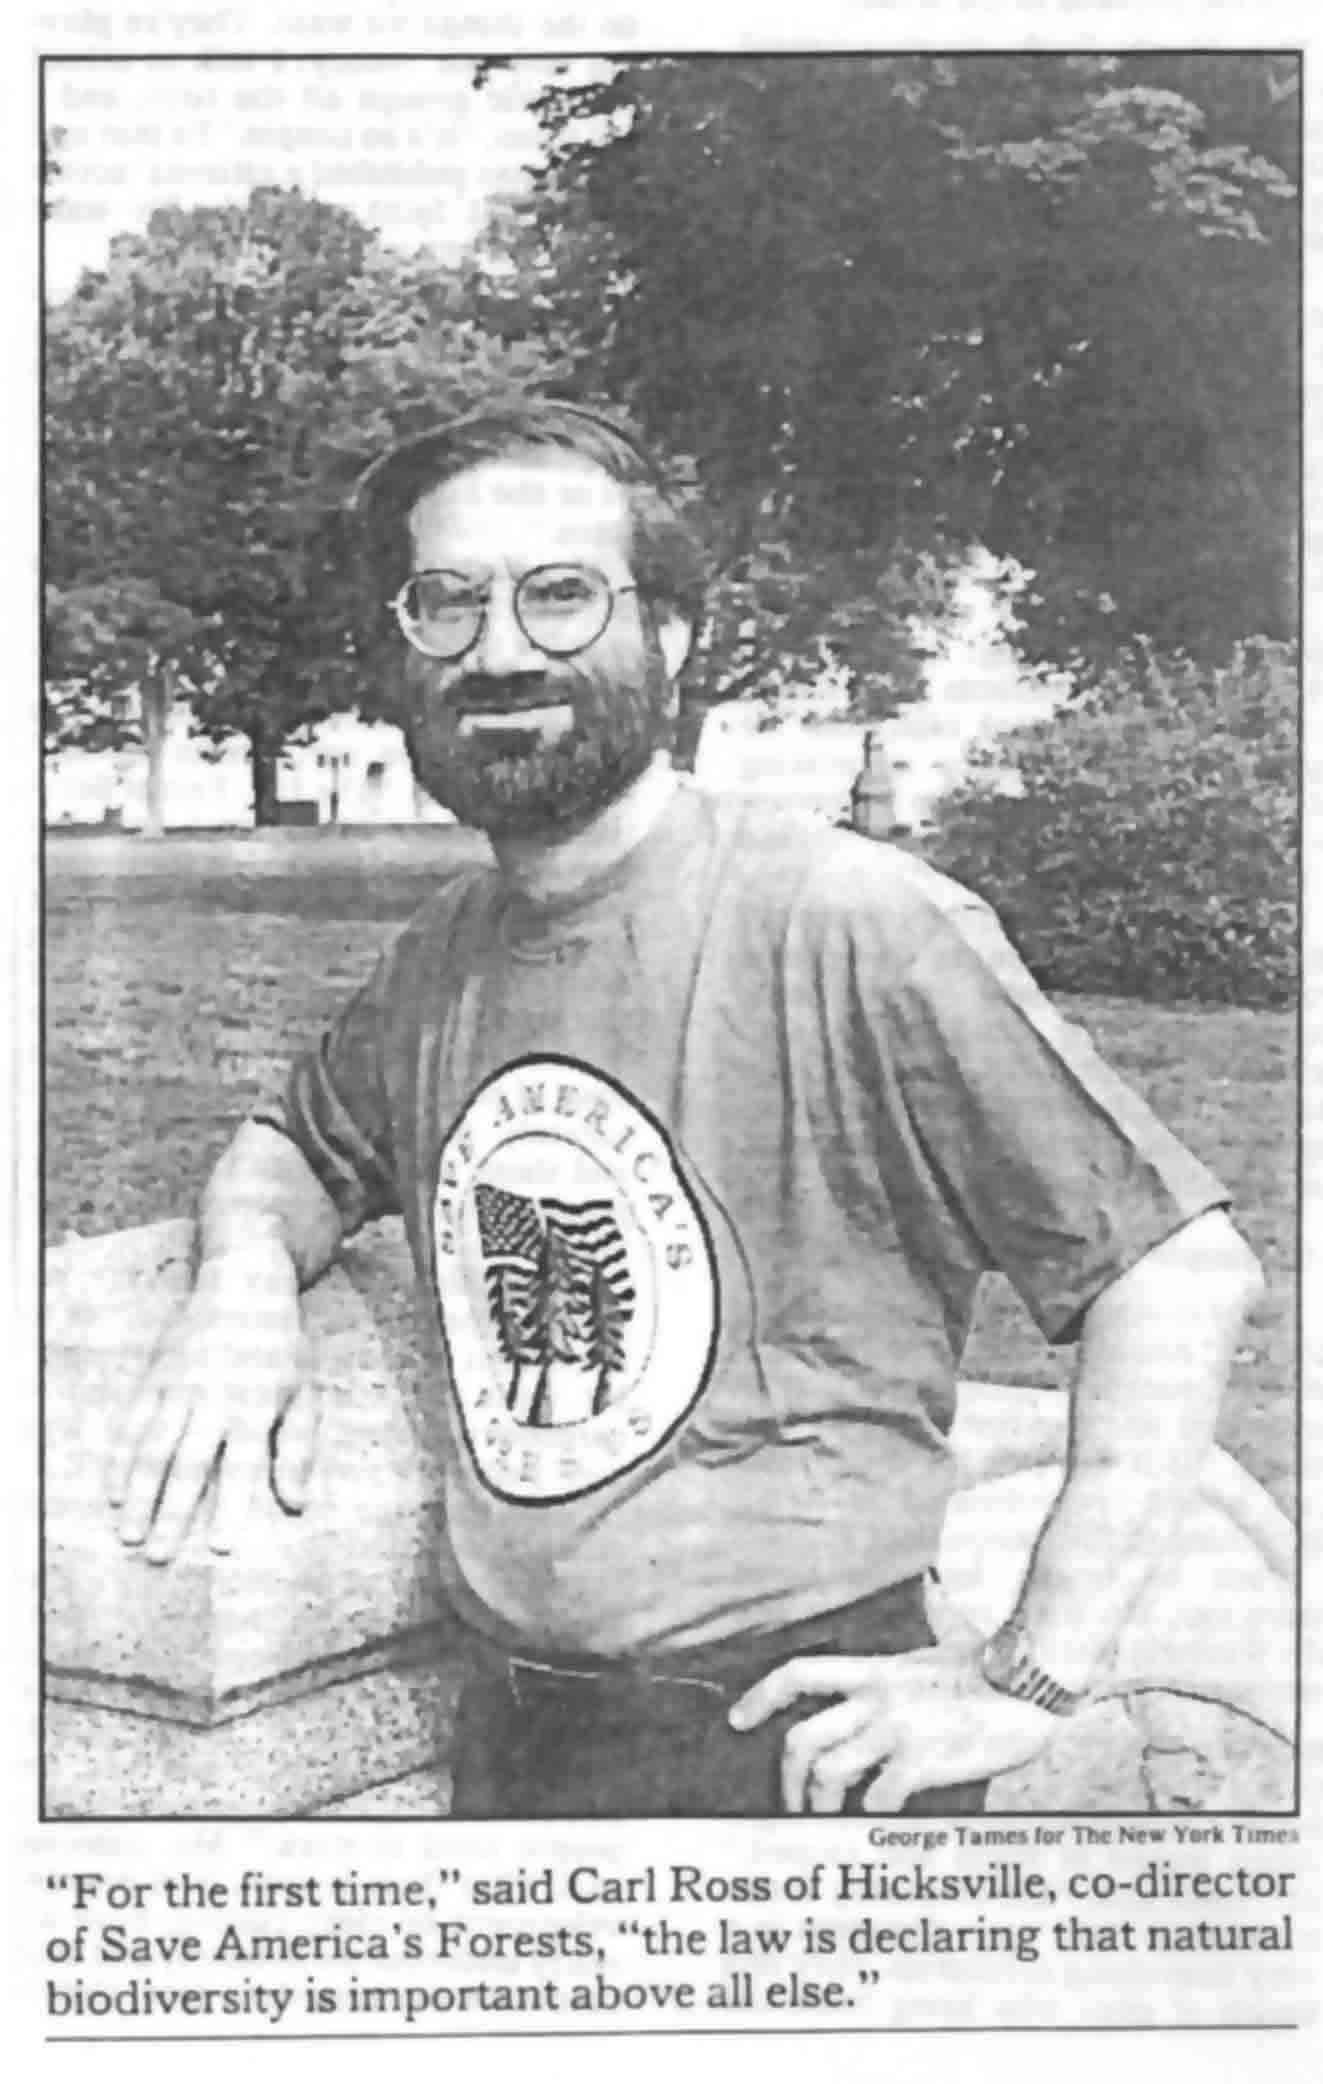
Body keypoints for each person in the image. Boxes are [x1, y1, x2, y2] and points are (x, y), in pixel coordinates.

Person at [109, 400, 1263, 1819]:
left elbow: (1175, 1270)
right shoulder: (446, 953)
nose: (500, 650)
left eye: (560, 594)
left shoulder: (852, 921)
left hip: (796, 1742)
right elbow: (294, 1148)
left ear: (670, 636)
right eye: (448, 603)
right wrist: (241, 1289)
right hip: (520, 1738)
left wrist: (1029, 1674)